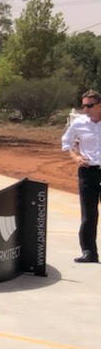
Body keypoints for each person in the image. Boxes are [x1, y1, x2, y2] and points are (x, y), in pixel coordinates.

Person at [62, 89, 101, 263]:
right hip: (88, 172)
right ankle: (89, 252)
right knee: (88, 214)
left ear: (99, 105)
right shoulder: (79, 124)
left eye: (90, 105)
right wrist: (75, 156)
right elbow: (66, 142)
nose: (86, 109)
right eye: (84, 105)